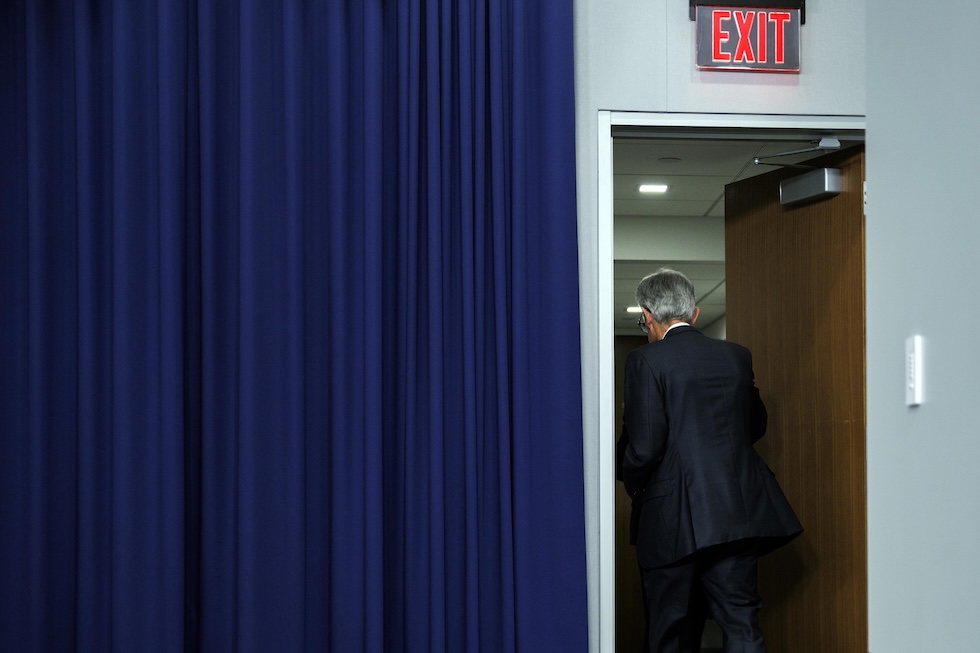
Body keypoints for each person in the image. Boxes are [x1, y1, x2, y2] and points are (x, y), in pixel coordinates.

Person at [616, 268, 802, 653]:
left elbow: (646, 446)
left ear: (648, 316)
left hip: (669, 520)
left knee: (670, 633)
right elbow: (755, 424)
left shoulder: (645, 361)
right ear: (695, 314)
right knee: (742, 626)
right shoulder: (735, 356)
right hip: (734, 514)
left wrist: (634, 483)